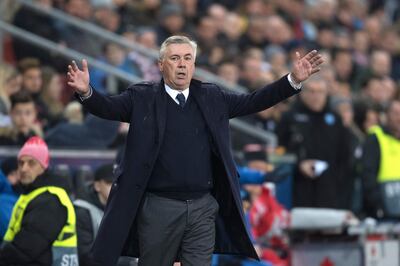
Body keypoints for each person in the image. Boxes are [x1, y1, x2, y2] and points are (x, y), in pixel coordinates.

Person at [67, 35, 323, 266]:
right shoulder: (142, 98)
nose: (182, 64)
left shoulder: (212, 97)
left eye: (187, 58)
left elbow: (254, 100)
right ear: (161, 65)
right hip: (158, 207)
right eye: (175, 58)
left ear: (194, 64)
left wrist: (292, 81)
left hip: (202, 206)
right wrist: (86, 92)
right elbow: (108, 108)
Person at [0, 136, 78, 265]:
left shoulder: (51, 199)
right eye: (21, 163)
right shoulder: (33, 194)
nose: (24, 168)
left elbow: (25, 249)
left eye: (31, 163)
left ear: (43, 167)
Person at [277, 75, 352, 209]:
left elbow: (344, 154)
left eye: (320, 92)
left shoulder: (335, 119)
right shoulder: (290, 117)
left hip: (329, 187)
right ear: (303, 93)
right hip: (298, 185)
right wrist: (298, 164)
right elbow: (280, 149)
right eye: (311, 91)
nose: (315, 96)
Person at [362, 100, 400, 219]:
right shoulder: (376, 138)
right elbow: (368, 175)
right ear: (386, 115)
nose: (399, 117)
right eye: (396, 113)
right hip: (384, 211)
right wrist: (378, 207)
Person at [74, 163, 114, 266]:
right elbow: (85, 255)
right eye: (110, 183)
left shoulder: (121, 208)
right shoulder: (82, 211)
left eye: (118, 183)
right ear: (97, 186)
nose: (115, 187)